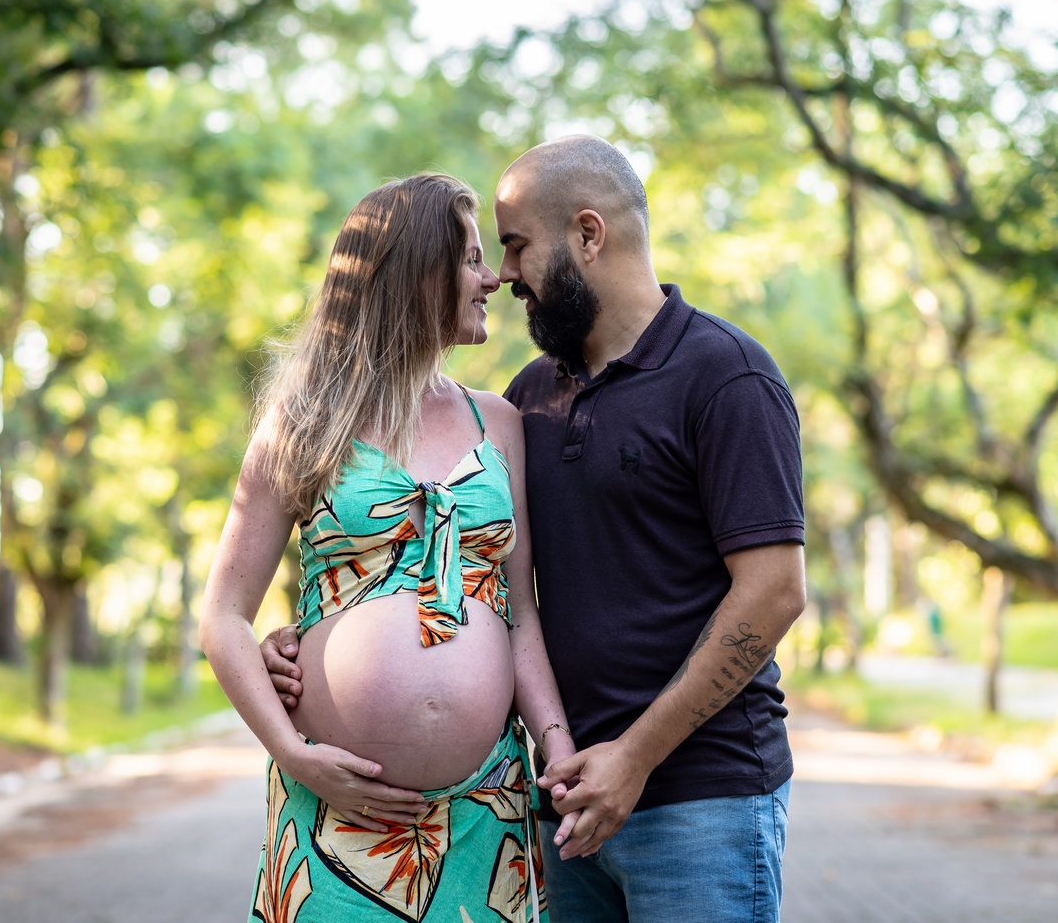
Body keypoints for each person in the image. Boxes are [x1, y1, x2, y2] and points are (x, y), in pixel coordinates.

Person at [265, 135, 807, 923]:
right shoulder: (527, 401)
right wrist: (317, 637)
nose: (503, 273)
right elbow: (486, 584)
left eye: (516, 245)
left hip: (696, 799)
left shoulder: (725, 375)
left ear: (588, 234)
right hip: (558, 801)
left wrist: (634, 756)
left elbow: (775, 592)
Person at [200, 172, 577, 923]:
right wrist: (294, 753)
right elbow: (223, 617)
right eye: (471, 260)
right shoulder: (305, 422)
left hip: (484, 810)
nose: (494, 280)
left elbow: (519, 614)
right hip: (338, 813)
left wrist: (557, 746)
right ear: (417, 273)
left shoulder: (499, 423)